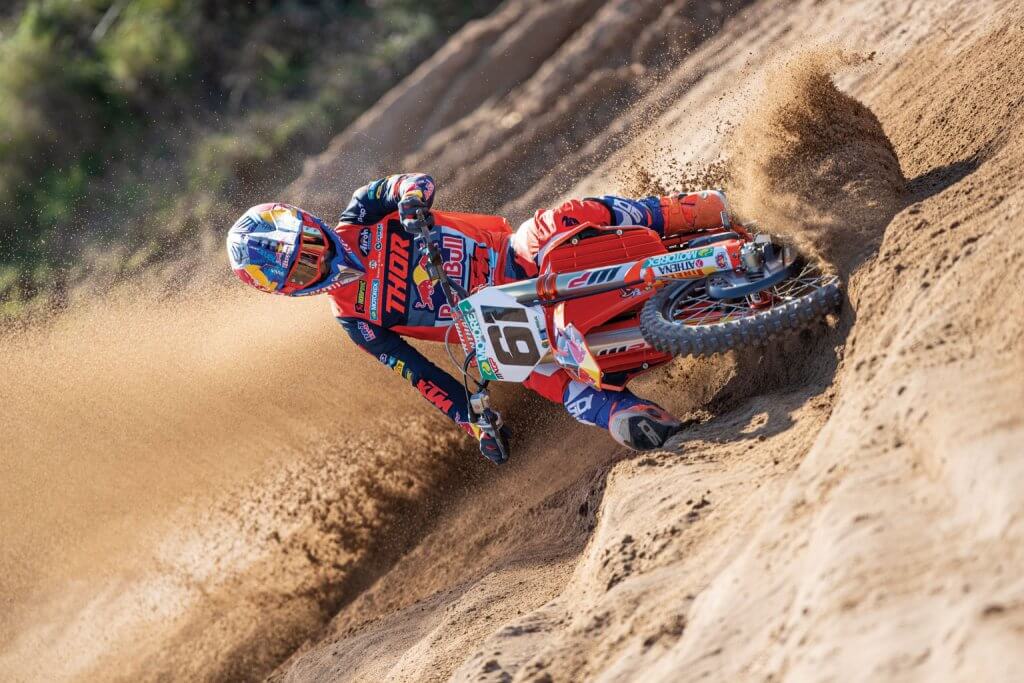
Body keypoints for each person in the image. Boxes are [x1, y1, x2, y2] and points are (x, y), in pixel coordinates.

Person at [226, 173, 732, 463]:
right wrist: (474, 423)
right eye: (303, 269)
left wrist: (410, 200)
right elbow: (421, 376)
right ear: (290, 290)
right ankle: (626, 415)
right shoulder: (355, 320)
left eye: (309, 247)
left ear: (310, 224)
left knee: (561, 218)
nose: (319, 261)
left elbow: (410, 182)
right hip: (492, 325)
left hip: (512, 257)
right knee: (548, 378)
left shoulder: (363, 212)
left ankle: (698, 210)